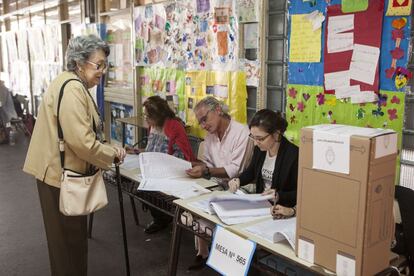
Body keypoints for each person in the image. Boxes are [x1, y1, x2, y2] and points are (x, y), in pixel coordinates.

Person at [23, 35, 126, 276]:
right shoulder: (72, 89)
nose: (102, 71)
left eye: (105, 65)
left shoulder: (70, 83)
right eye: (98, 64)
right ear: (80, 63)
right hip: (59, 177)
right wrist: (111, 155)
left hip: (58, 172)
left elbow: (81, 132)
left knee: (69, 243)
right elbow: (82, 142)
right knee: (68, 245)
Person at [185, 96, 252, 270]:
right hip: (217, 183)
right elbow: (207, 164)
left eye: (204, 119)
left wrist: (206, 170)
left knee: (210, 206)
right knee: (191, 200)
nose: (203, 125)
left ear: (217, 110)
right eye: (200, 123)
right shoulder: (210, 137)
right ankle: (203, 252)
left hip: (239, 186)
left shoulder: (241, 132)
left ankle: (228, 260)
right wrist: (192, 166)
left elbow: (236, 170)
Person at [133, 95, 196, 234]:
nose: (146, 119)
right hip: (156, 171)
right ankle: (161, 218)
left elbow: (182, 158)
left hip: (173, 173)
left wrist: (159, 165)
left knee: (145, 189)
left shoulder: (174, 126)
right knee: (137, 187)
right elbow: (152, 150)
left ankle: (164, 218)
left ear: (158, 115)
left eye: (148, 116)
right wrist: (138, 151)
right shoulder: (153, 126)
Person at [228, 109, 299, 216]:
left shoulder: (293, 155)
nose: (256, 143)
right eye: (253, 137)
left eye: (260, 139)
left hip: (281, 210)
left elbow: (301, 193)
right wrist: (238, 180)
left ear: (276, 134)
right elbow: (251, 172)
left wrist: (279, 195)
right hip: (261, 206)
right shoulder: (260, 149)